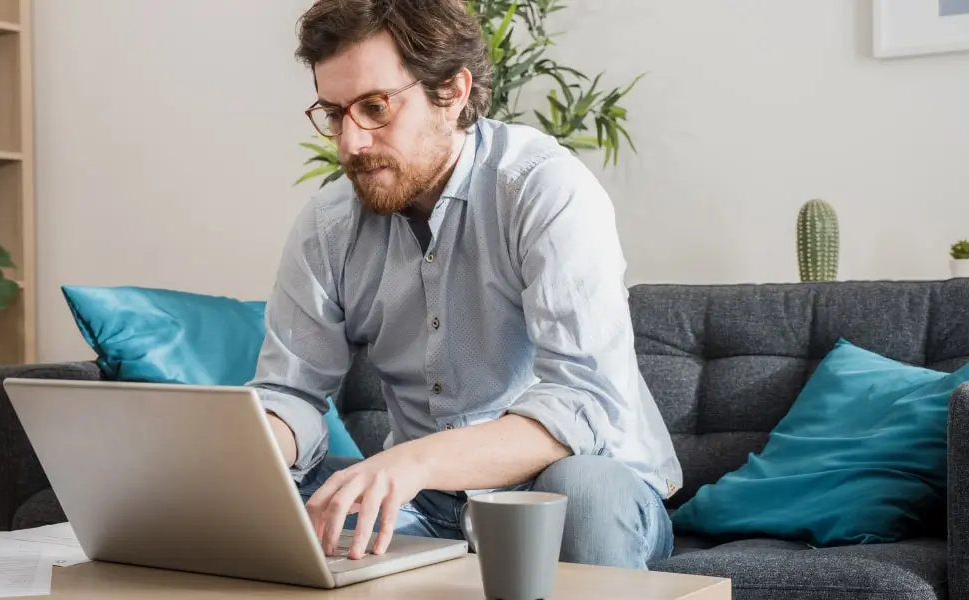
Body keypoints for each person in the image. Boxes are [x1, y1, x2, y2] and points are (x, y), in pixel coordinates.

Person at [247, 0, 682, 570]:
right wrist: (239, 459)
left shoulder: (542, 189)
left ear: (451, 91)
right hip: (424, 503)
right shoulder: (329, 226)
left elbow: (582, 402)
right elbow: (292, 393)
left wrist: (412, 463)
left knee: (586, 489)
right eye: (334, 114)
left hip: (571, 485)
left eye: (374, 108)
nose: (349, 144)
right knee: (274, 504)